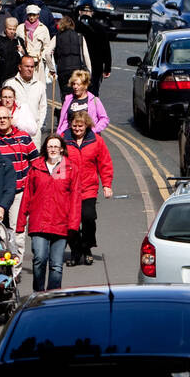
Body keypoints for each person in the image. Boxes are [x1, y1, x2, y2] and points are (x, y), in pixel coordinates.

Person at [16, 135, 81, 292]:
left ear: (61, 149)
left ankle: (53, 298)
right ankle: (38, 295)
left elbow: (75, 198)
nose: (53, 149)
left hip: (61, 223)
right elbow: (27, 196)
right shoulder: (36, 167)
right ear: (45, 148)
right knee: (39, 259)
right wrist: (20, 222)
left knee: (56, 265)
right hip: (39, 223)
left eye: (56, 146)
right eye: (50, 146)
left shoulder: (70, 168)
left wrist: (73, 225)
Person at [62, 110, 114, 267]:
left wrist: (106, 185)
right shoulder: (64, 139)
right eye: (74, 126)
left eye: (80, 126)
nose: (77, 129)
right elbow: (57, 162)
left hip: (88, 187)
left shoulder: (96, 141)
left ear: (87, 125)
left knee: (88, 218)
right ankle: (76, 251)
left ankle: (87, 247)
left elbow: (105, 164)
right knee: (70, 223)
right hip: (69, 189)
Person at [0, 105, 37, 281]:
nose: (2, 120)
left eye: (5, 117)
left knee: (17, 233)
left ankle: (15, 272)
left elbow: (36, 163)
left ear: (11, 119)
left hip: (19, 193)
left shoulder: (24, 138)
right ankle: (1, 267)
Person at [4, 55, 49, 148]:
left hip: (34, 134)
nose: (30, 69)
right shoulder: (10, 84)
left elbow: (43, 108)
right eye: (27, 66)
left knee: (34, 161)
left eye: (32, 67)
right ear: (20, 67)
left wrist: (38, 127)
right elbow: (4, 107)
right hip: (14, 132)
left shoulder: (40, 86)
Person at [52, 15, 92, 105]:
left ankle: (66, 114)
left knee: (65, 95)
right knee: (77, 93)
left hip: (63, 69)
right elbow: (85, 55)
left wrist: (51, 68)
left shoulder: (57, 37)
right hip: (76, 69)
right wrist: (89, 71)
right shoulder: (79, 36)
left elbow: (47, 53)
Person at [56, 69, 110, 135]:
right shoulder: (68, 99)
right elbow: (65, 120)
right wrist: (61, 133)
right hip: (71, 138)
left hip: (89, 138)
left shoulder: (94, 100)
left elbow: (104, 119)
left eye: (78, 84)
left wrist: (94, 130)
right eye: (74, 84)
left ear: (85, 85)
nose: (75, 87)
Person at [76, 3, 112, 96]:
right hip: (96, 65)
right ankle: (92, 109)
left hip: (78, 64)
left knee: (77, 92)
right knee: (93, 92)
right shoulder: (100, 28)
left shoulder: (75, 27)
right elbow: (106, 49)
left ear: (80, 12)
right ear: (91, 13)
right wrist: (107, 68)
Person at [19, 4, 53, 84]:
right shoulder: (20, 28)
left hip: (38, 63)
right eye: (30, 15)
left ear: (38, 15)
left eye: (34, 15)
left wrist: (42, 58)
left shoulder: (43, 29)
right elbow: (17, 44)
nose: (31, 17)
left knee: (38, 86)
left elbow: (47, 46)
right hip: (25, 61)